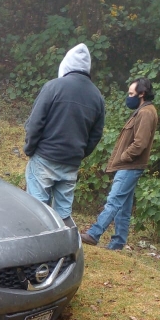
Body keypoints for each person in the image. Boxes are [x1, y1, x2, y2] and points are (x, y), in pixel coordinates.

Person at [24, 43, 105, 224]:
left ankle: (40, 249)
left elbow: (35, 123)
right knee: (63, 215)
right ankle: (66, 249)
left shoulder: (53, 87)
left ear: (66, 64)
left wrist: (29, 148)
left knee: (38, 211)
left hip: (45, 158)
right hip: (71, 163)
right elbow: (96, 135)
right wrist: (79, 154)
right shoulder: (97, 96)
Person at [81, 78, 158, 250]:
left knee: (114, 200)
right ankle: (118, 242)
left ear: (142, 93)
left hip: (130, 165)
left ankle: (94, 234)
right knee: (124, 206)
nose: (129, 97)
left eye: (131, 94)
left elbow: (140, 143)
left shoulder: (146, 113)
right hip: (131, 165)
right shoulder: (144, 110)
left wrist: (124, 156)